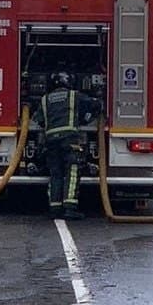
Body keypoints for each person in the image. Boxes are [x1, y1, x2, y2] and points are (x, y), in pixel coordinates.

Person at [33, 72, 102, 220]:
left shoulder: (45, 99)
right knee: (72, 171)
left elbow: (38, 119)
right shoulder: (74, 95)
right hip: (69, 140)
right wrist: (87, 118)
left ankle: (55, 208)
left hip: (51, 141)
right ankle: (70, 207)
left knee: (55, 173)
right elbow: (96, 104)